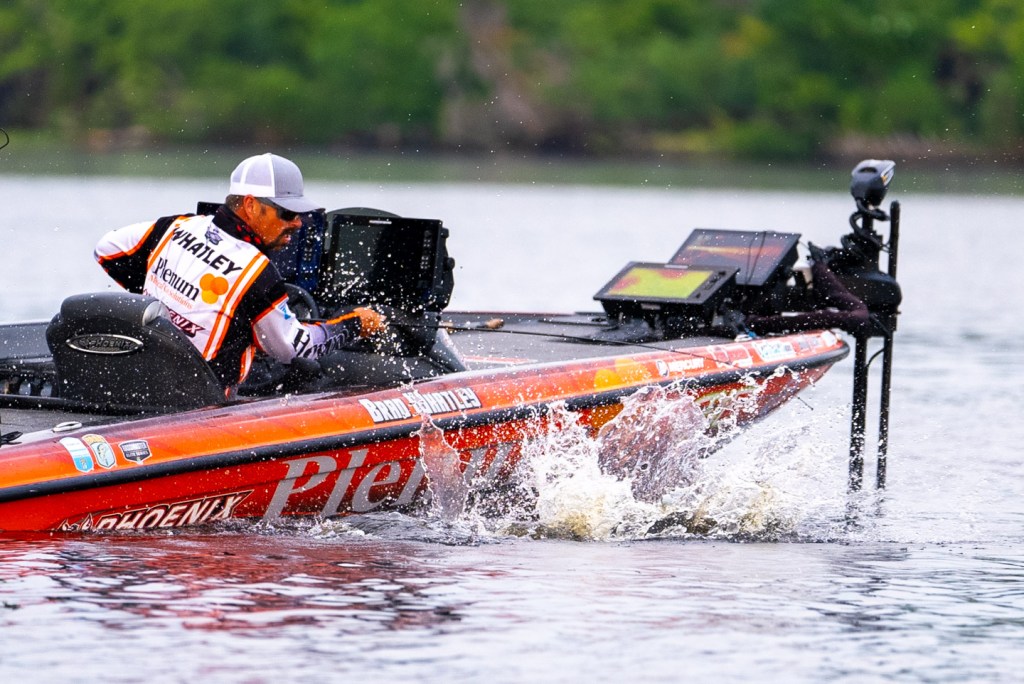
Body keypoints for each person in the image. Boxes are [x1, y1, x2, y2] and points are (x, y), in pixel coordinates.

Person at [95, 152, 385, 391]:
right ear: (250, 205)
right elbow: (292, 348)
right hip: (197, 407)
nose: (297, 223)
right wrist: (353, 324)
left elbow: (105, 249)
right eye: (287, 213)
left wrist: (160, 302)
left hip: (145, 380)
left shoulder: (176, 226)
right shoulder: (258, 274)